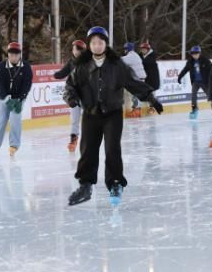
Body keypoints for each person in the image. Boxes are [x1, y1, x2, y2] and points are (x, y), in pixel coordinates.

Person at [63, 26, 164, 207]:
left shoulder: (117, 64)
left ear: (105, 44)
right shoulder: (82, 65)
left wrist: (151, 98)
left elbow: (133, 83)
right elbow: (70, 85)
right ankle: (85, 185)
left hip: (113, 114)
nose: (97, 46)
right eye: (94, 43)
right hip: (91, 114)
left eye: (100, 43)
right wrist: (71, 97)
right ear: (89, 45)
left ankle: (115, 183)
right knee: (87, 150)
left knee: (112, 149)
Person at [0, 42, 33, 157]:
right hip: (4, 98)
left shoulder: (26, 67)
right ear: (8, 54)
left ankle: (14, 145)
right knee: (0, 121)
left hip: (18, 99)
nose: (13, 57)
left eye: (16, 55)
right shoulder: (1, 67)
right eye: (11, 54)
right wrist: (6, 98)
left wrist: (21, 98)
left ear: (20, 55)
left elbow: (27, 84)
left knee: (15, 119)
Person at [54, 40, 86, 152]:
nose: (74, 51)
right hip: (74, 94)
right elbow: (64, 71)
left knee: (88, 118)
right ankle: (73, 139)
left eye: (76, 50)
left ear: (81, 51)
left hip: (86, 94)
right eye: (73, 49)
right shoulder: (72, 61)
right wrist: (56, 75)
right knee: (74, 118)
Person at [178, 45, 212, 119]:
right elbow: (185, 70)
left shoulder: (205, 60)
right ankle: (194, 109)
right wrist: (179, 77)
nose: (195, 55)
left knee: (210, 96)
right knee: (193, 96)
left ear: (199, 53)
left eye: (196, 53)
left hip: (204, 82)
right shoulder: (190, 61)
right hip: (195, 82)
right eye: (193, 54)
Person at [121, 42, 147, 118]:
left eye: (125, 49)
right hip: (140, 79)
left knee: (130, 95)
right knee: (132, 95)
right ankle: (134, 111)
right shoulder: (136, 55)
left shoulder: (130, 56)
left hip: (137, 80)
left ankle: (134, 112)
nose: (124, 50)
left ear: (127, 49)